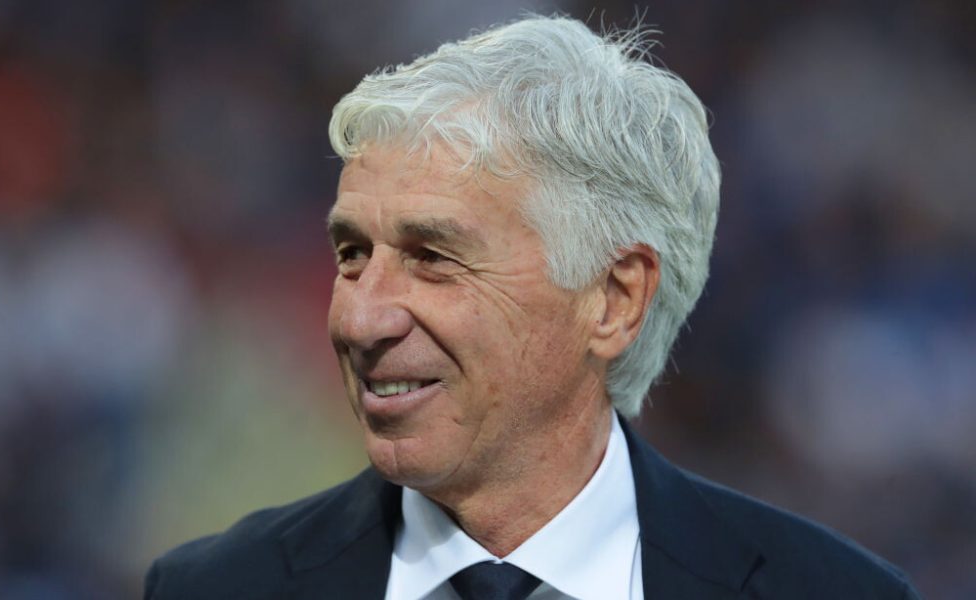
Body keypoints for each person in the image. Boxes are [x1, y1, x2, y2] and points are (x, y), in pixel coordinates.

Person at [144, 15, 920, 600]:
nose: (359, 319)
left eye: (433, 257)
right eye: (352, 254)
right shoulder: (215, 588)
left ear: (614, 300)